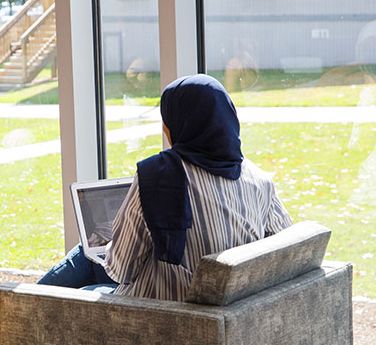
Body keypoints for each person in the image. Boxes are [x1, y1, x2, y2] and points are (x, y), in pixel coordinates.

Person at [38, 74, 293, 300]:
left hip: (161, 314)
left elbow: (120, 270)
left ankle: (17, 307)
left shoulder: (158, 177)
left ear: (174, 125)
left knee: (85, 254)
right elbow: (287, 247)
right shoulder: (260, 181)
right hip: (227, 307)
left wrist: (109, 245)